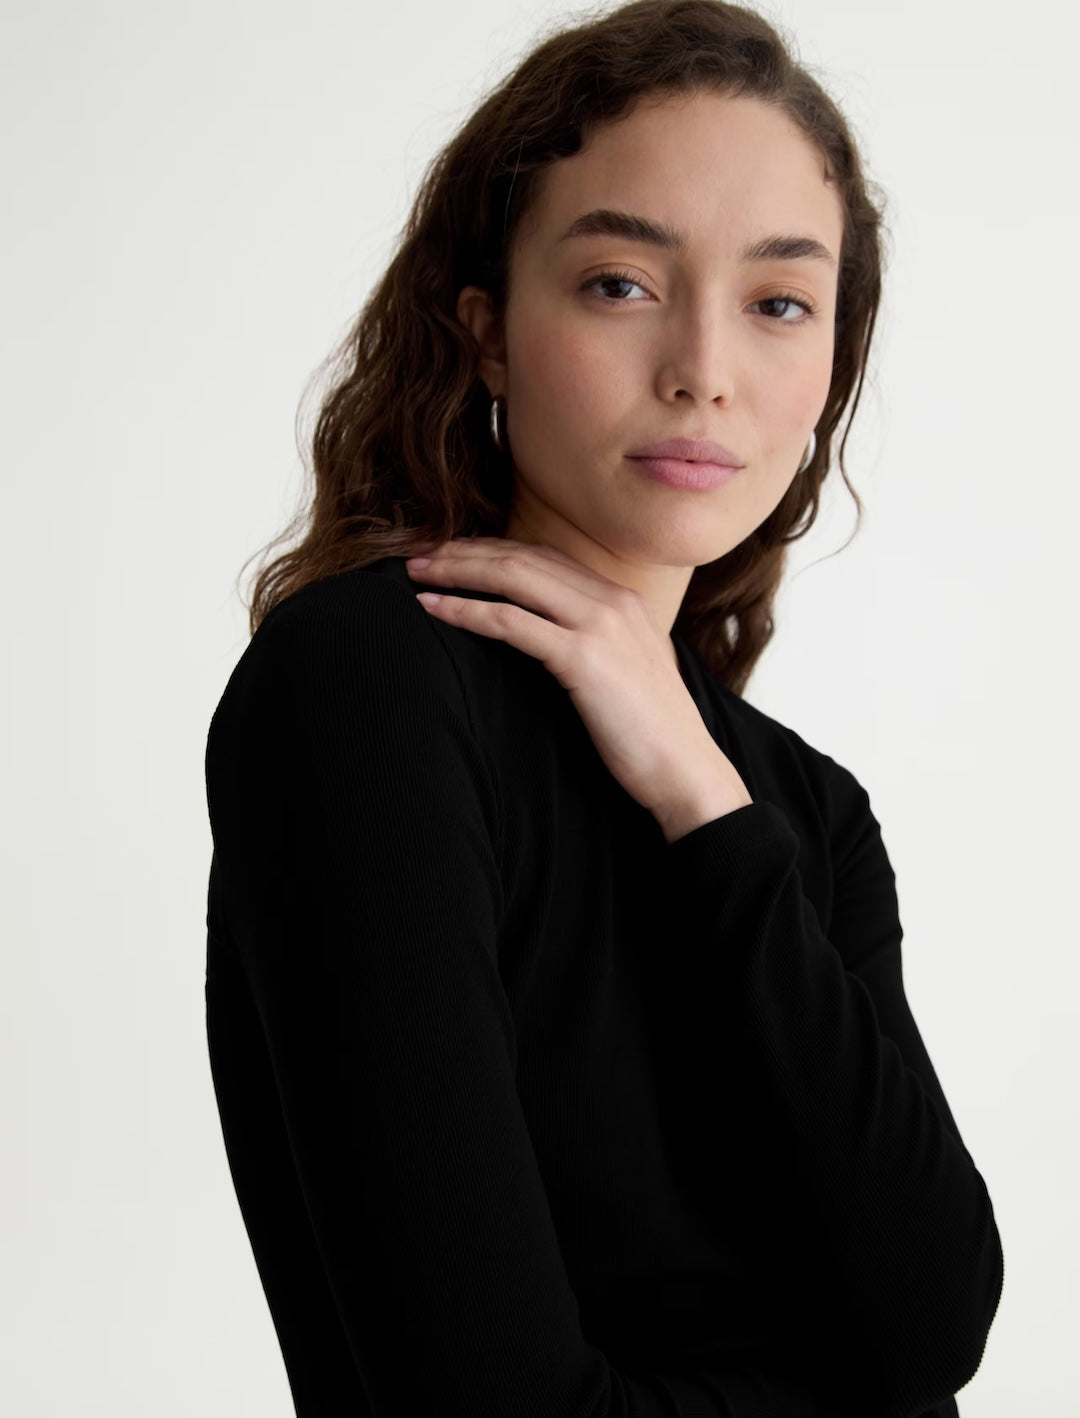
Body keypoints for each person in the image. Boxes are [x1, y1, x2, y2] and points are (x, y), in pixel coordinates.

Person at [203, 2, 1004, 1414]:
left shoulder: (800, 809)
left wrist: (706, 809)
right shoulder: (366, 686)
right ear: (487, 334)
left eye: (778, 302)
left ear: (830, 366)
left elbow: (935, 1320)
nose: (703, 369)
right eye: (621, 283)